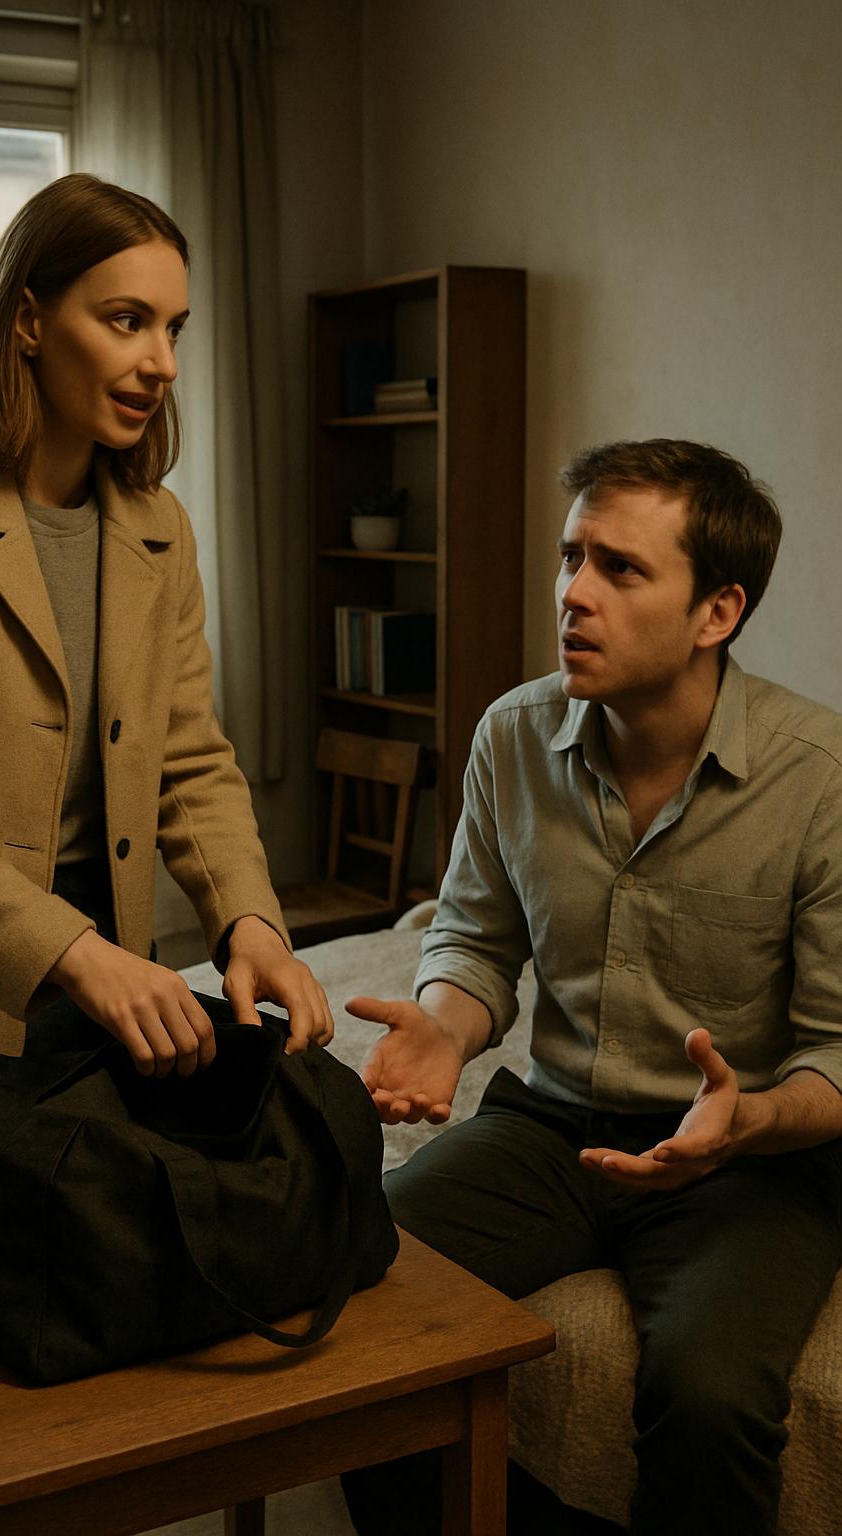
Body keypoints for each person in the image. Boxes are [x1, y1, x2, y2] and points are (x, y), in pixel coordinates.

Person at [344, 439, 842, 1536]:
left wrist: (751, 1118)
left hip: (744, 1167)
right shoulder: (512, 736)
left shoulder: (820, 782)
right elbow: (475, 938)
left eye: (620, 569)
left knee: (709, 1401)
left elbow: (836, 1052)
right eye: (573, 557)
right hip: (552, 1126)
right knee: (355, 1280)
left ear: (717, 612)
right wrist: (444, 1028)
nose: (573, 592)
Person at [0, 172, 331, 1206]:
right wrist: (75, 954)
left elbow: (190, 761)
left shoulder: (160, 527)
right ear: (28, 321)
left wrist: (252, 922)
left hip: (110, 994)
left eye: (174, 328)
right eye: (127, 320)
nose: (162, 362)